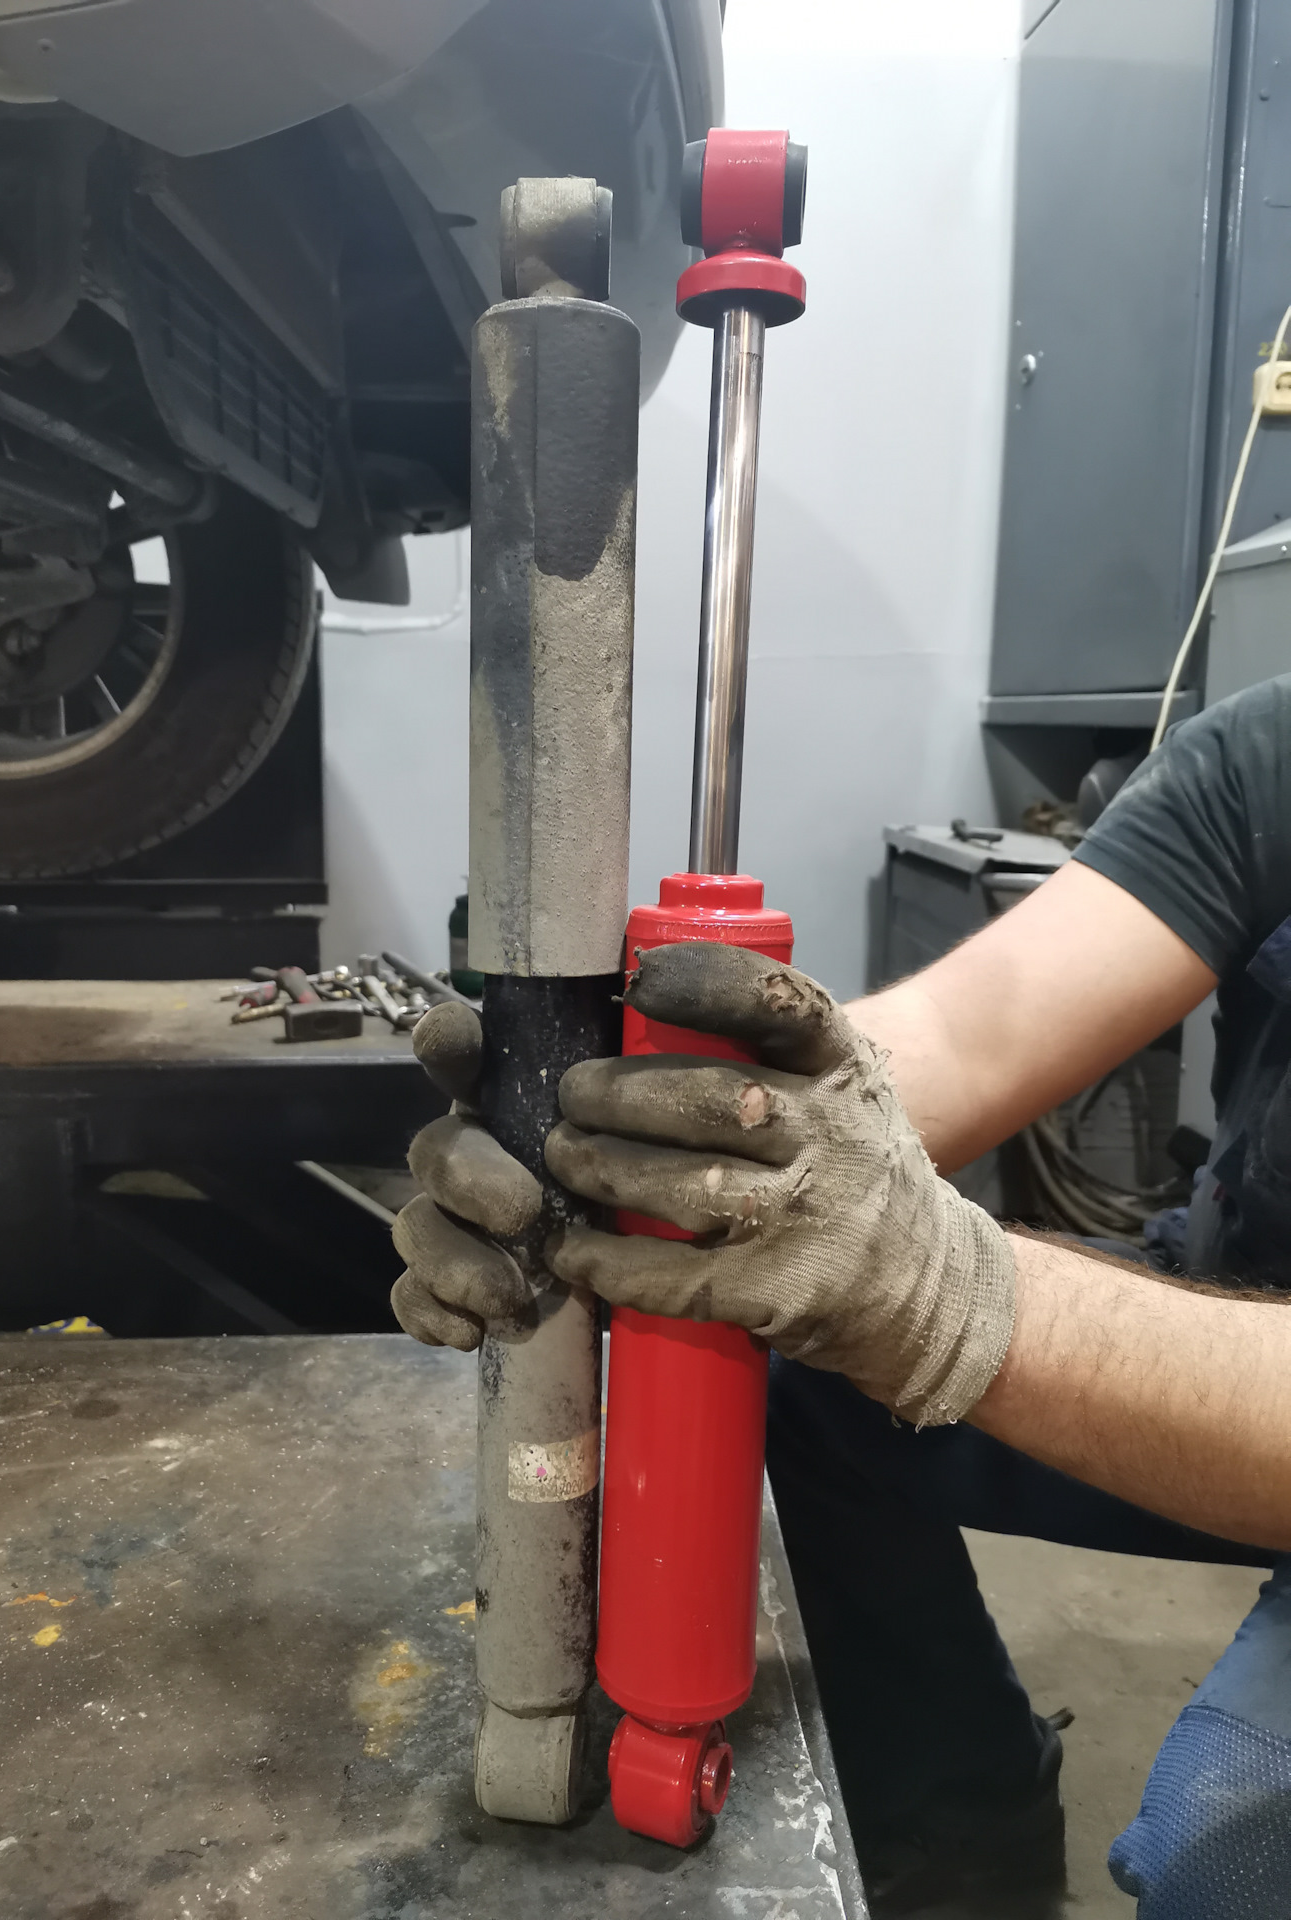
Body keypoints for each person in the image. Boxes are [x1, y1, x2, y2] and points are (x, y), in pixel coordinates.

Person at [391, 675, 1291, 1919]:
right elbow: (967, 1040)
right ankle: (962, 1815)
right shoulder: (1271, 753)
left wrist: (950, 1295)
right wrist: (633, 1149)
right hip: (1241, 1298)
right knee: (771, 1330)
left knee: (1233, 1870)